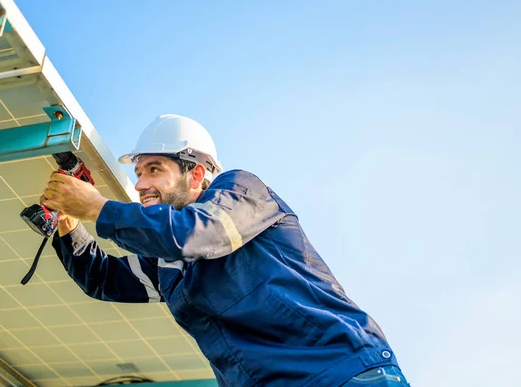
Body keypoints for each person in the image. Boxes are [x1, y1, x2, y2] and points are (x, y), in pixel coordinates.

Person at [40, 114, 409, 387]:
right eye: (138, 173)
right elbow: (103, 279)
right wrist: (68, 220)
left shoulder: (241, 194)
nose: (140, 184)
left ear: (197, 175)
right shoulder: (169, 263)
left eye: (154, 170)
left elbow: (197, 234)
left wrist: (98, 207)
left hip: (341, 374)